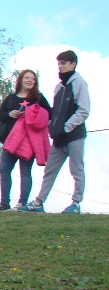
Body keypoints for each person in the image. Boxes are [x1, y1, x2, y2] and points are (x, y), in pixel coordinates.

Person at [19, 50, 90, 214]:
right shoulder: (59, 87)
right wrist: (52, 126)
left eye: (63, 63)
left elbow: (84, 110)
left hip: (74, 136)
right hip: (58, 138)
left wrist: (66, 127)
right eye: (59, 63)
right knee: (49, 171)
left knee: (77, 169)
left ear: (73, 64)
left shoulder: (79, 83)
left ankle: (76, 204)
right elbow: (55, 112)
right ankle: (38, 203)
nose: (60, 67)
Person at [0, 70, 52, 211]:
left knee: (25, 172)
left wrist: (32, 116)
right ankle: (4, 203)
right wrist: (10, 114)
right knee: (4, 169)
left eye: (32, 78)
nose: (30, 80)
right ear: (21, 80)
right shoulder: (11, 98)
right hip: (11, 141)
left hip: (29, 141)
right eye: (27, 78)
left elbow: (49, 115)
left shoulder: (39, 98)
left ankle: (22, 203)